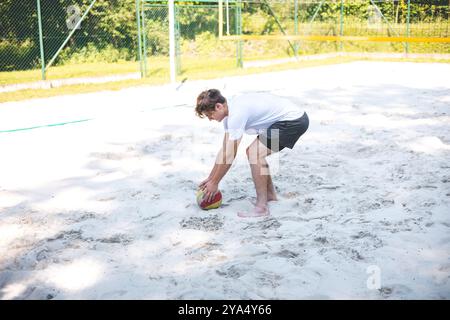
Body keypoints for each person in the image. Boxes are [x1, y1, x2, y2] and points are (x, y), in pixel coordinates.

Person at [196, 89, 309, 217]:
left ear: (218, 106)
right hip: (288, 120)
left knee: (255, 153)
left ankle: (262, 207)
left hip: (294, 121)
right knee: (254, 152)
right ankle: (270, 196)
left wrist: (215, 183)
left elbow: (230, 155)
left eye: (209, 115)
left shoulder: (236, 114)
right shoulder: (229, 115)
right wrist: (211, 179)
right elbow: (225, 150)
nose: (210, 119)